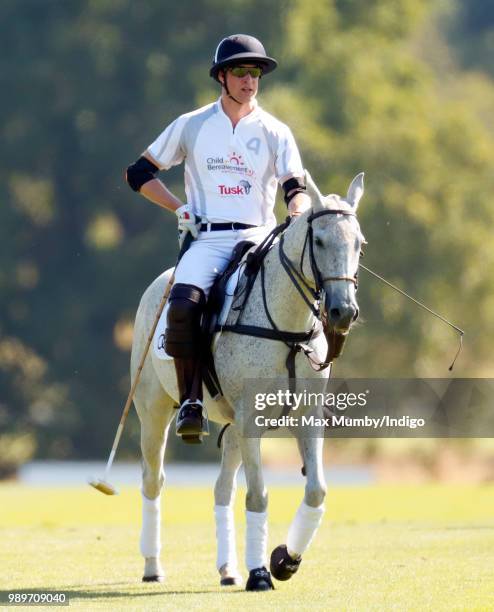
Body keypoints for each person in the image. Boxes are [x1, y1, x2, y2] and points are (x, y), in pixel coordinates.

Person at [126, 34, 311, 439]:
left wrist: (296, 212)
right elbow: (138, 174)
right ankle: (191, 400)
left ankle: (305, 390)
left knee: (309, 296)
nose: (250, 81)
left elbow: (294, 186)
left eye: (256, 73)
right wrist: (179, 207)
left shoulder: (275, 131)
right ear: (222, 77)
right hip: (208, 240)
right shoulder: (192, 125)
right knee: (181, 305)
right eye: (242, 72)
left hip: (261, 239)